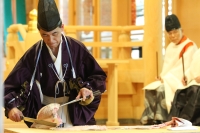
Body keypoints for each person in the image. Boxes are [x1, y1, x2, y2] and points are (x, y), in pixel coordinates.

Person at [4, 0, 107, 128]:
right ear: (39, 32)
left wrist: (87, 88)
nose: (50, 40)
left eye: (55, 34)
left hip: (73, 110)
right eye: (44, 35)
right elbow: (10, 85)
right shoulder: (33, 54)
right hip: (44, 114)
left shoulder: (76, 48)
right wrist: (12, 107)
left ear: (62, 27)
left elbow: (98, 76)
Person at [140, 14, 198, 125]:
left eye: (175, 32)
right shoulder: (170, 47)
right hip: (169, 79)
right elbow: (167, 68)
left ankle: (164, 119)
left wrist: (166, 78)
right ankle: (152, 119)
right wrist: (161, 76)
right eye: (170, 33)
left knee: (161, 90)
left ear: (182, 30)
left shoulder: (189, 46)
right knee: (150, 90)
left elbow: (185, 69)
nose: (173, 36)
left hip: (183, 81)